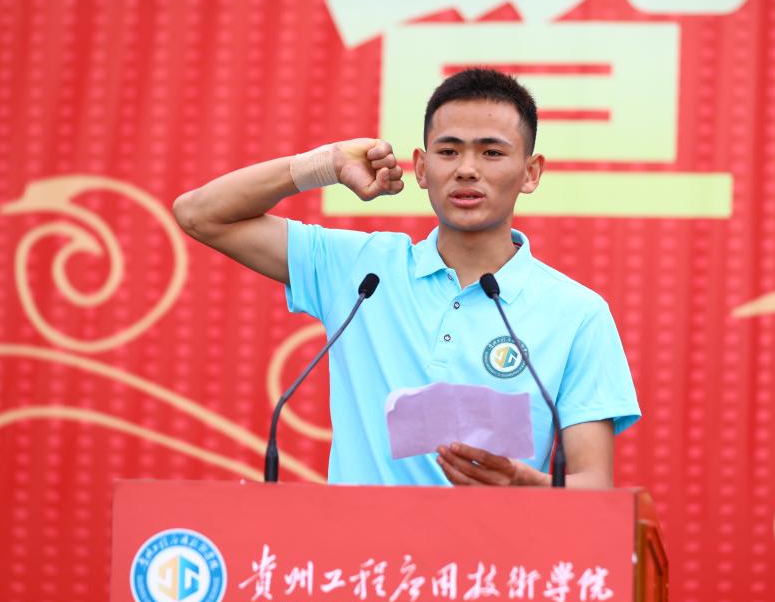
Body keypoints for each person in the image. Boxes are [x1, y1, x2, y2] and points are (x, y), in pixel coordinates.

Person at [172, 68, 639, 488]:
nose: (467, 169)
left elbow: (594, 484)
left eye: (492, 152)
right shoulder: (362, 270)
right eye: (448, 151)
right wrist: (327, 163)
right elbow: (199, 214)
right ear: (421, 167)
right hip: (361, 553)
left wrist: (524, 485)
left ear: (531, 173)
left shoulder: (578, 313)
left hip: (495, 555)